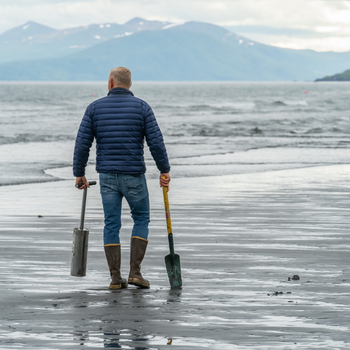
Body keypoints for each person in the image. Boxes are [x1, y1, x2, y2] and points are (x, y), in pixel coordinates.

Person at [73, 67, 171, 290]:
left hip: (107, 176)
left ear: (110, 83)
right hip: (134, 175)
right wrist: (164, 170)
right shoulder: (142, 107)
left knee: (111, 223)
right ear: (130, 84)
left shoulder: (94, 108)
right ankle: (135, 273)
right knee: (141, 218)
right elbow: (156, 142)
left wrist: (79, 173)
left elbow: (82, 143)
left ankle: (116, 278)